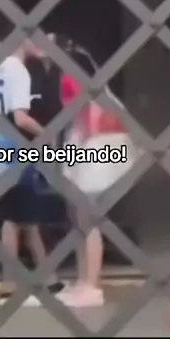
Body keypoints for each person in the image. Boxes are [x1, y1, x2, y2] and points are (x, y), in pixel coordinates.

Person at [0, 39, 62, 306]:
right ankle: (10, 284)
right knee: (17, 216)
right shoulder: (18, 71)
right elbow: (21, 118)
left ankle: (47, 278)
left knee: (22, 215)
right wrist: (47, 134)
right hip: (16, 148)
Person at [57, 41, 107, 308]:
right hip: (83, 144)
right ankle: (84, 281)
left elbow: (83, 119)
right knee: (81, 219)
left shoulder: (72, 79)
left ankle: (90, 285)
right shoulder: (88, 81)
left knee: (85, 219)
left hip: (84, 146)